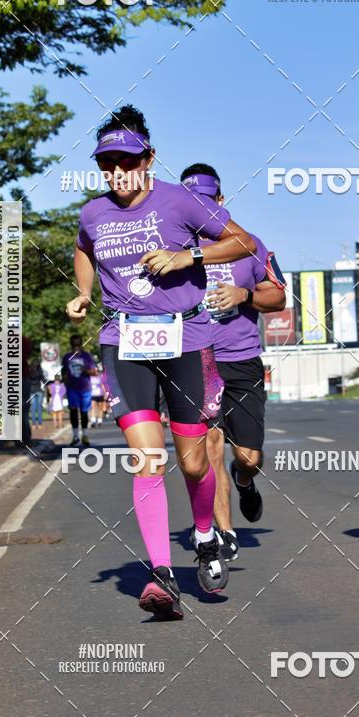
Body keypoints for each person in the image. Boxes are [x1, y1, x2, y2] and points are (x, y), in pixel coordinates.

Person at [65, 104, 256, 620]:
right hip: (123, 341)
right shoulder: (93, 213)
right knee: (147, 457)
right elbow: (83, 249)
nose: (117, 171)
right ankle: (162, 574)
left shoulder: (181, 201)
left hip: (185, 340)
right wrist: (83, 292)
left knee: (193, 461)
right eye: (107, 163)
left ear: (148, 158)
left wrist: (187, 257)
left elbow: (243, 242)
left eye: (127, 160)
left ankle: (205, 536)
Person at [181, 164, 286, 561]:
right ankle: (224, 532)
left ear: (221, 201)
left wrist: (245, 295)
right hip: (198, 361)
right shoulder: (178, 250)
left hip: (242, 361)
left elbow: (279, 298)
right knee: (210, 447)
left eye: (207, 201)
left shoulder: (249, 245)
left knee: (247, 457)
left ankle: (245, 481)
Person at [61, 334, 97, 446]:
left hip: (85, 388)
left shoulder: (87, 356)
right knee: (73, 411)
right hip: (72, 388)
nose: (76, 347)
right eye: (74, 345)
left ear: (81, 344)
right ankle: (75, 436)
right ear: (71, 345)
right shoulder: (67, 357)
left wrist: (85, 370)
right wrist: (65, 379)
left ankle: (85, 435)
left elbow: (94, 372)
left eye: (78, 344)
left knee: (84, 412)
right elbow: (64, 372)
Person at [29, 354, 45, 431]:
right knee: (38, 408)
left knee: (33, 408)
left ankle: (34, 424)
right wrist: (49, 383)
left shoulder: (29, 372)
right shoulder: (39, 371)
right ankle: (40, 424)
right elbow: (44, 380)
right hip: (38, 391)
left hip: (32, 391)